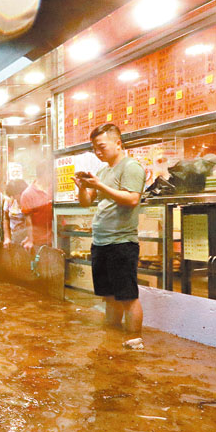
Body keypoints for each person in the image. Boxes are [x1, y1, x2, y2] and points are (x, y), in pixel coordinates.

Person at [73, 123, 145, 333]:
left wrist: (100, 186)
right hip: (101, 242)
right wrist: (83, 188)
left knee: (128, 297)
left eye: (101, 147)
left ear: (118, 143)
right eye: (95, 148)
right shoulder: (103, 171)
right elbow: (87, 202)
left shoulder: (131, 167)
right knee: (109, 296)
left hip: (121, 243)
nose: (97, 152)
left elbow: (132, 199)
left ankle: (133, 344)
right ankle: (112, 341)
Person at [20, 160, 53, 251]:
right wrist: (30, 239)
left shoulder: (53, 189)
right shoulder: (27, 194)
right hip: (38, 241)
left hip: (55, 238)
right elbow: (28, 220)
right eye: (52, 173)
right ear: (45, 173)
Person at [2, 179, 29, 247]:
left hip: (27, 237)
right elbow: (6, 219)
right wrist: (7, 237)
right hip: (14, 237)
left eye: (14, 194)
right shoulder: (9, 202)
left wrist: (29, 238)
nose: (13, 197)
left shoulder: (29, 201)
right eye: (12, 195)